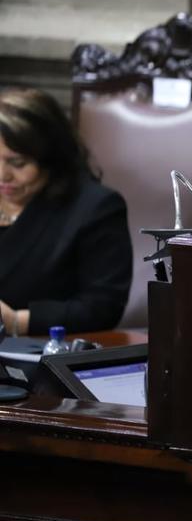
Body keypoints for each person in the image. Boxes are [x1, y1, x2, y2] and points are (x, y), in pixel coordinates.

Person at [0, 88, 132, 337]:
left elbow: (102, 307)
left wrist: (16, 321)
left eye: (17, 163)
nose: (3, 175)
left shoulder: (96, 208)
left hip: (42, 350)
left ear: (50, 157)